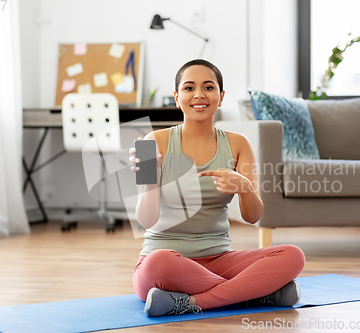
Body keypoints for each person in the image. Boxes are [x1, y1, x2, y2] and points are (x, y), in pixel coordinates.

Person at [129, 59, 305, 317]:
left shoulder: (238, 144)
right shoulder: (152, 141)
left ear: (221, 97)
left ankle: (190, 302)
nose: (199, 94)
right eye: (189, 88)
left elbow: (253, 216)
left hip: (220, 261)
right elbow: (146, 221)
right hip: (165, 263)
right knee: (158, 263)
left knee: (293, 255)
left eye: (208, 87)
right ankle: (256, 294)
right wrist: (152, 178)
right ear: (177, 98)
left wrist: (244, 188)